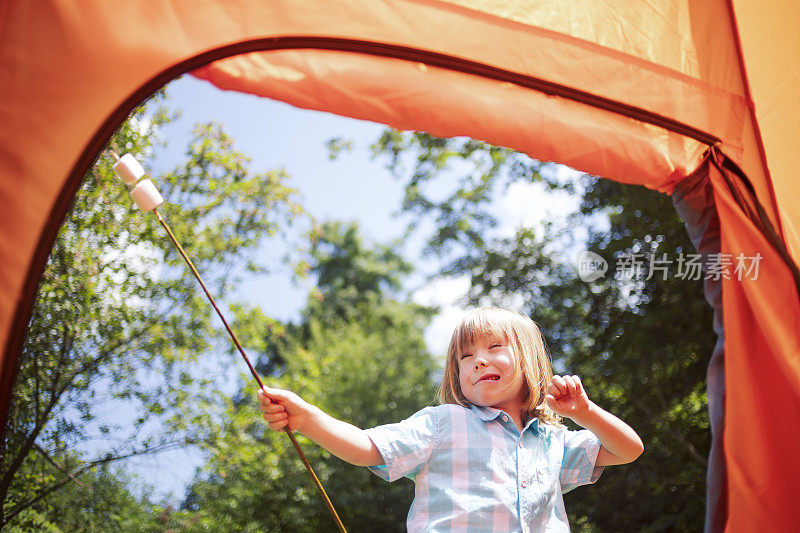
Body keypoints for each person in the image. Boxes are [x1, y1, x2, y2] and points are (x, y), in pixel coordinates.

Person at [258, 307, 643, 531]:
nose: (477, 359)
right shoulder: (445, 422)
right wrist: (307, 418)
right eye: (465, 356)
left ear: (530, 362)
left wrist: (584, 412)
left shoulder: (553, 442)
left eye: (495, 347)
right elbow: (368, 448)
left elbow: (628, 449)